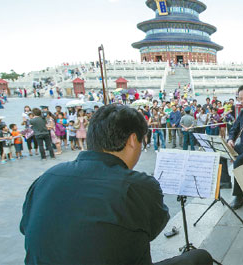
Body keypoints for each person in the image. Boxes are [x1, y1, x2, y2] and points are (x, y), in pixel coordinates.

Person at [20, 104, 213, 265]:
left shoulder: (46, 177)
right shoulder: (137, 185)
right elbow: (154, 228)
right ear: (132, 140)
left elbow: (26, 227)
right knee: (200, 258)